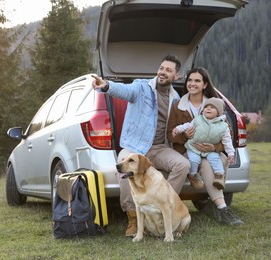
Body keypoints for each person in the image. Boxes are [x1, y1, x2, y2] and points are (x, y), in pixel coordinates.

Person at [92, 54, 191, 236]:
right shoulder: (141, 87)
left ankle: (164, 206)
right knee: (123, 162)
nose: (163, 72)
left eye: (168, 70)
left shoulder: (176, 98)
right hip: (136, 147)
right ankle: (133, 218)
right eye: (161, 68)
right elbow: (124, 91)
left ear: (176, 76)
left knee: (183, 165)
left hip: (160, 147)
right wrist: (106, 86)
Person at [167, 67, 244, 225]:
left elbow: (227, 132)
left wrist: (214, 147)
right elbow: (170, 133)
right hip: (188, 149)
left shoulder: (214, 104)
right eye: (190, 80)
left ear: (205, 84)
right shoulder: (178, 106)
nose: (192, 84)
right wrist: (184, 136)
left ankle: (215, 203)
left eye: (197, 81)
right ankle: (223, 208)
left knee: (220, 159)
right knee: (205, 165)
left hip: (210, 150)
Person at [172, 97, 235, 190]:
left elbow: (227, 141)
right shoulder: (198, 120)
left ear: (219, 112)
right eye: (206, 107)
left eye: (212, 107)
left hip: (210, 149)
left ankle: (219, 177)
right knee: (194, 160)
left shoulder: (223, 126)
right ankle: (193, 176)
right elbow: (187, 125)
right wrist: (178, 129)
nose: (208, 109)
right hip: (194, 147)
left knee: (215, 159)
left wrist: (231, 153)